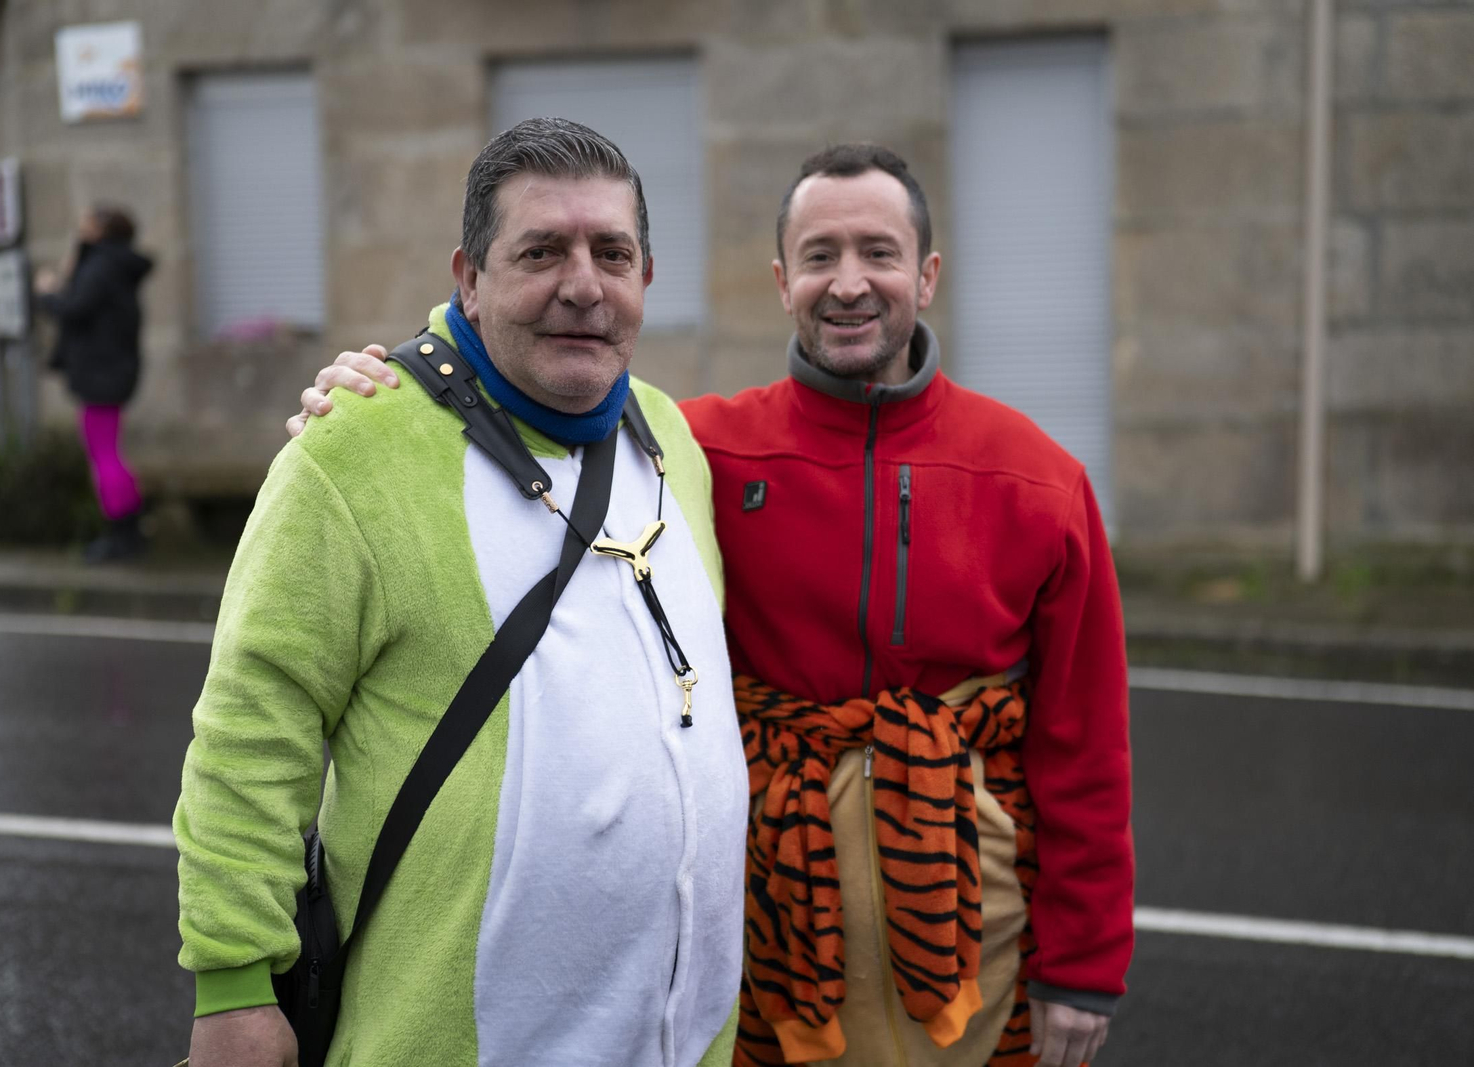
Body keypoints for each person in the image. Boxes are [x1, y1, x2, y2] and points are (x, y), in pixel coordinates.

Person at [292, 143, 1133, 1067]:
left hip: (980, 931)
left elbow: (1085, 745)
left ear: (927, 274)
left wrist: (1084, 968)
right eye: (819, 256)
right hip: (768, 928)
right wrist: (377, 391)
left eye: (879, 253)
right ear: (781, 280)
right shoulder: (685, 449)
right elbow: (516, 403)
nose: (848, 283)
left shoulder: (1039, 478)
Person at [175, 118, 747, 1067]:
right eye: (541, 252)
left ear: (649, 276)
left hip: (679, 1042)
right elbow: (250, 726)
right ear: (469, 279)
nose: (583, 284)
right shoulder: (351, 450)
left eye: (613, 252)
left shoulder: (670, 438)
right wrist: (235, 986)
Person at [35, 204, 153, 562]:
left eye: (88, 221)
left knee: (104, 455)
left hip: (101, 374)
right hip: (111, 371)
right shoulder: (112, 264)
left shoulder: (100, 266)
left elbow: (74, 310)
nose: (80, 225)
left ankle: (121, 537)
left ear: (102, 229)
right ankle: (130, 532)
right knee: (108, 453)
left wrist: (46, 292)